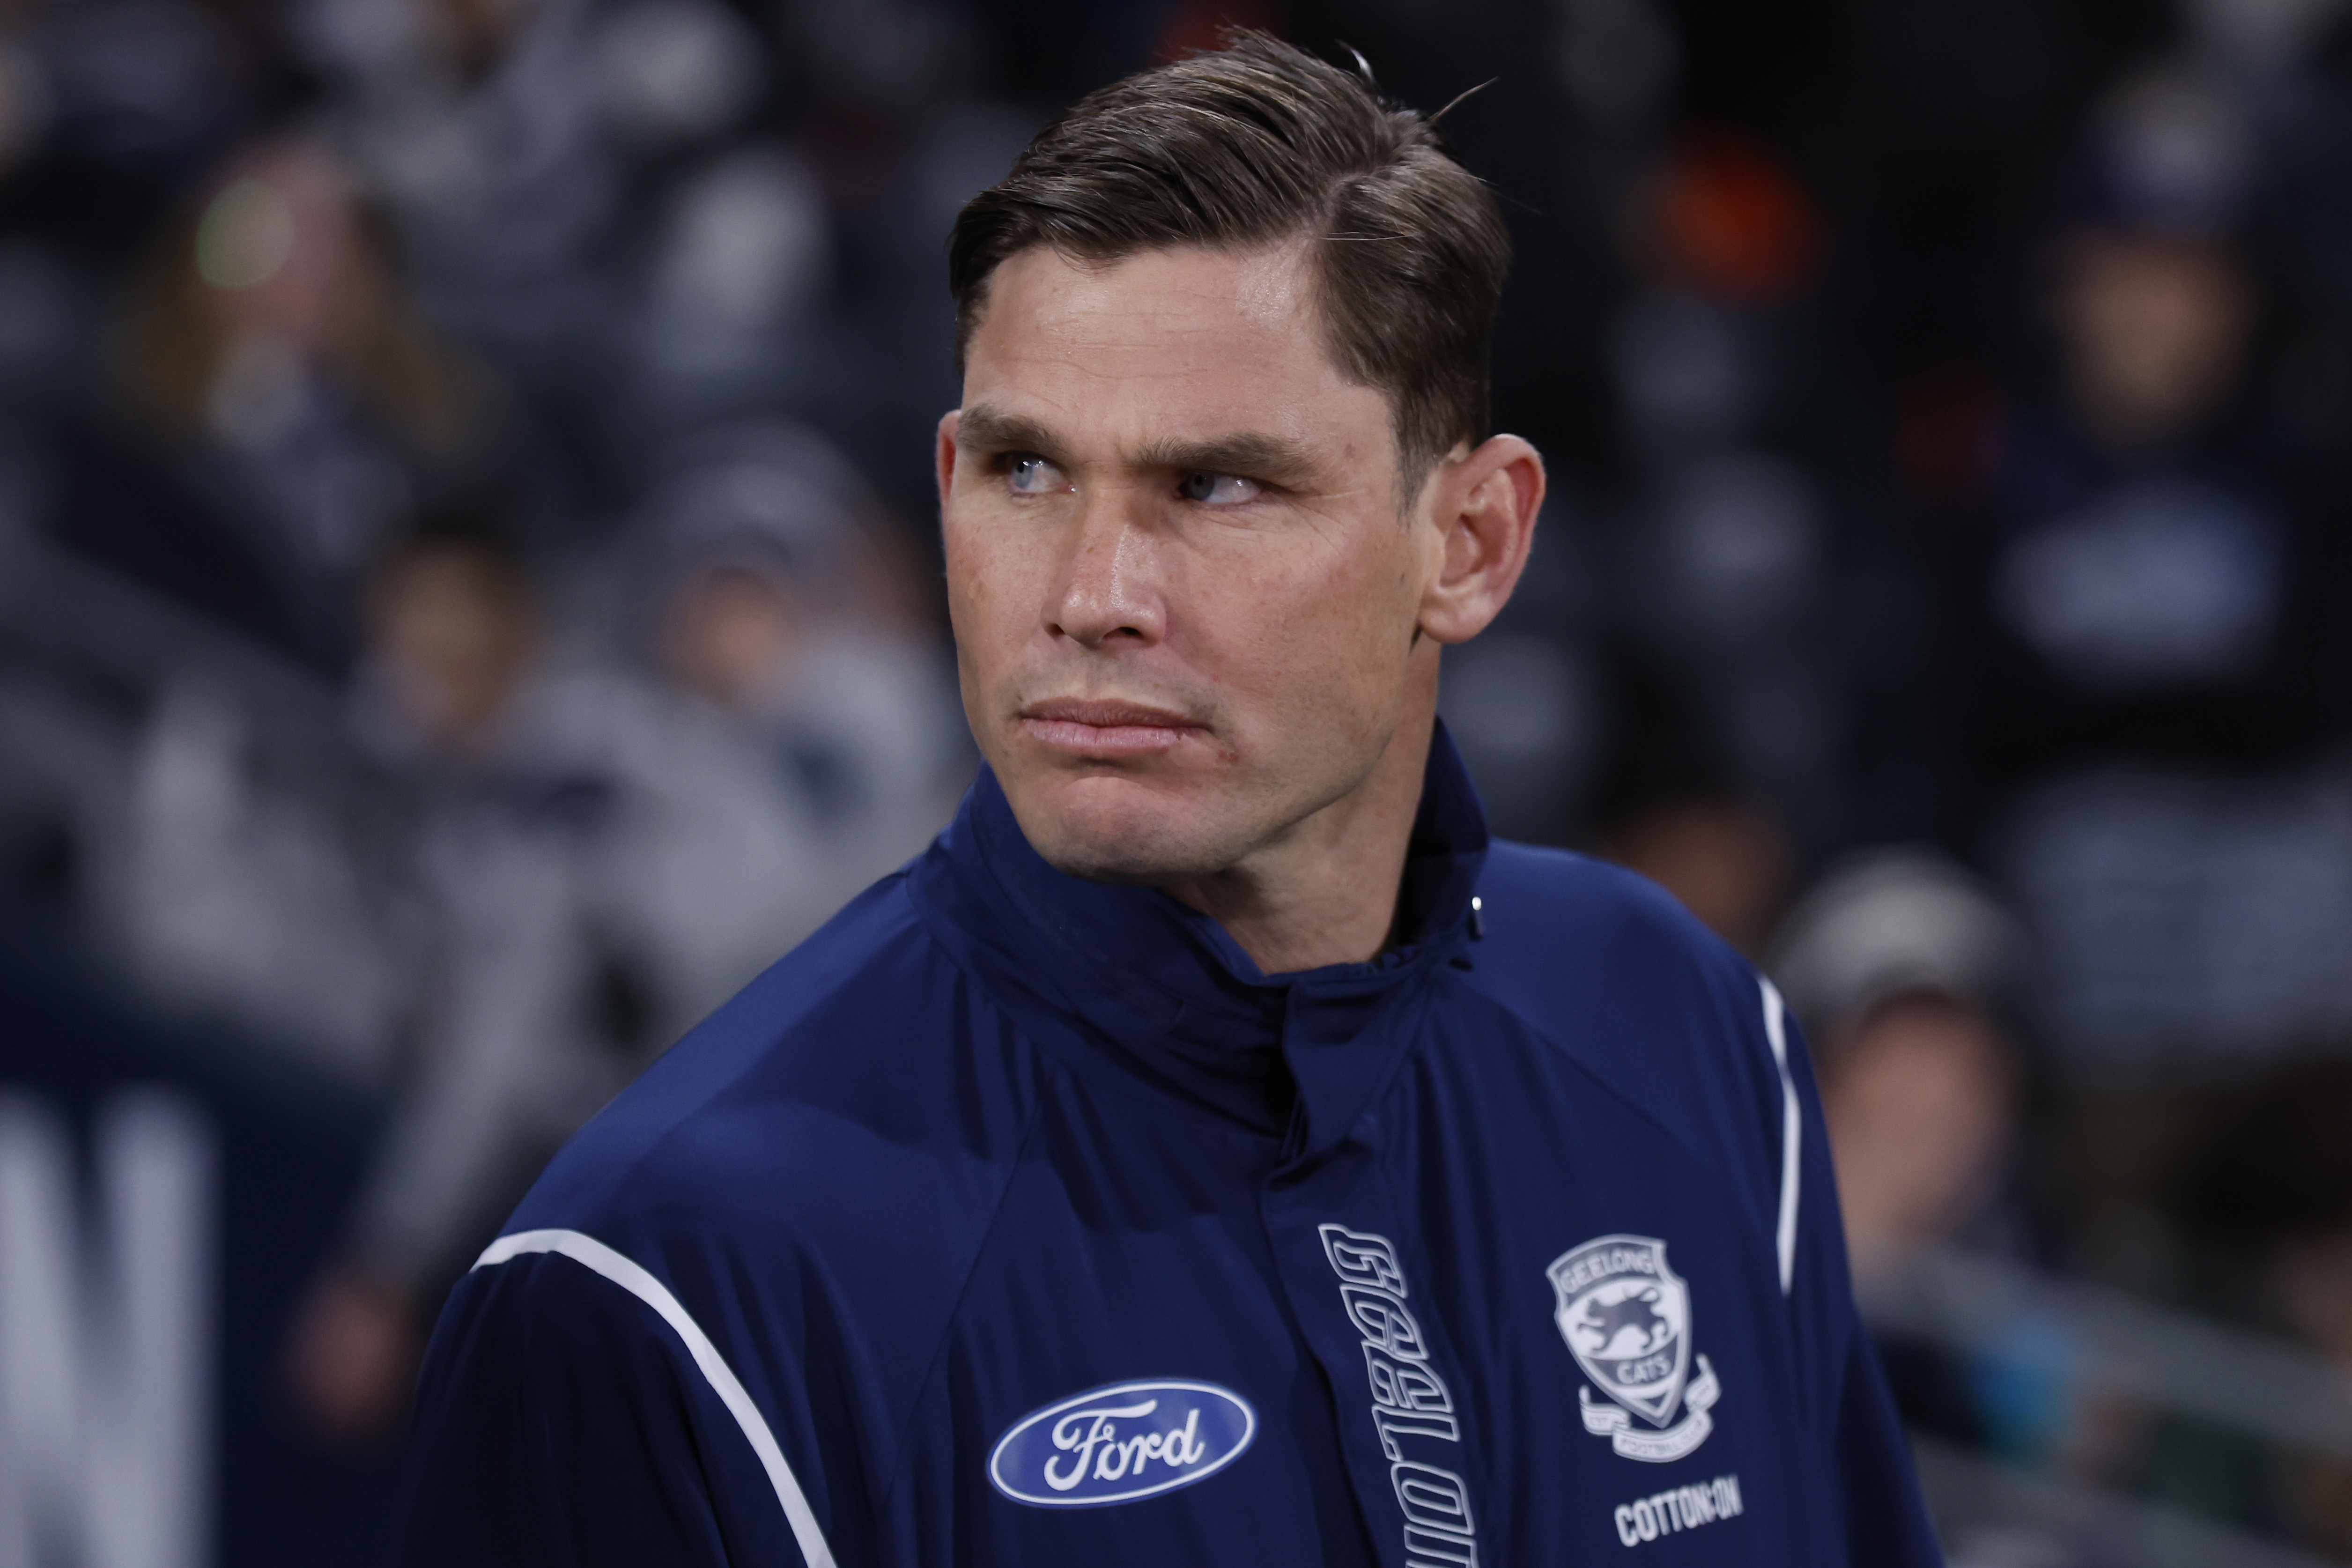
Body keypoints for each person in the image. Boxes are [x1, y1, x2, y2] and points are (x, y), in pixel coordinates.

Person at [397, 35, 1939, 1566]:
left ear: (1470, 543)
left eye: (1215, 486)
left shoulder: (1684, 1029)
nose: (1092, 594)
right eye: (1025, 471)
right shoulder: (672, 1285)